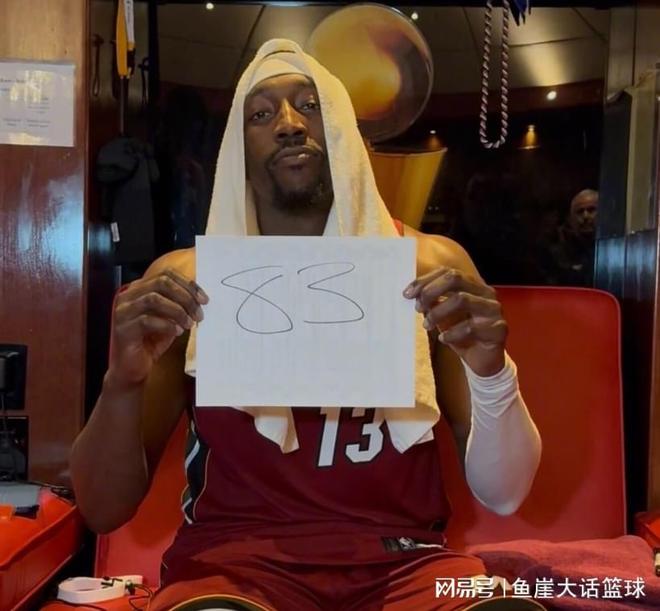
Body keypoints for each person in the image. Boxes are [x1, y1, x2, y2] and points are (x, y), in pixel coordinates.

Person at [70, 40, 542, 611]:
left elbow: (505, 494)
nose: (290, 124)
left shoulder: (428, 266)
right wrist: (122, 381)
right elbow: (102, 509)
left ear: (343, 129)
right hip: (234, 565)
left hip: (405, 560)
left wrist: (493, 372)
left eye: (311, 105)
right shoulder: (189, 283)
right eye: (261, 113)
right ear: (238, 152)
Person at [549, 189, 599, 286]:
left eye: (591, 210)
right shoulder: (558, 254)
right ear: (571, 219)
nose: (585, 216)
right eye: (580, 212)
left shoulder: (611, 251)